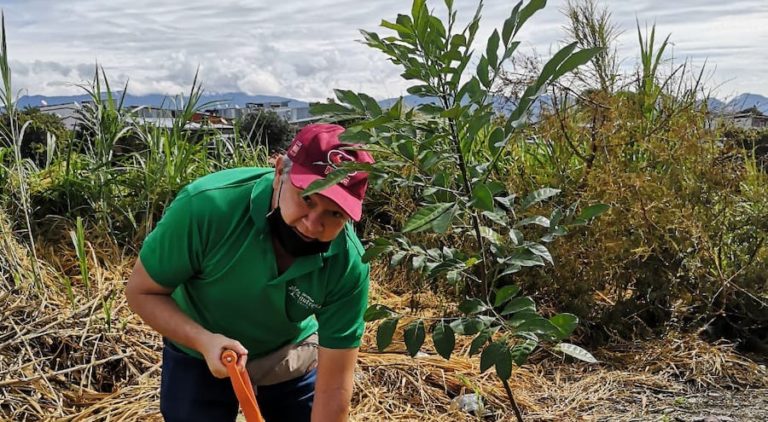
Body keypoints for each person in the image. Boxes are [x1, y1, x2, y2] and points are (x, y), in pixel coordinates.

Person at [126, 123, 375, 422]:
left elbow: (334, 388)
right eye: (306, 198)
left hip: (286, 349)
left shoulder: (348, 263)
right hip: (198, 344)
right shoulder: (208, 208)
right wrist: (204, 341)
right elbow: (142, 291)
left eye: (334, 214)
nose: (312, 224)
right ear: (280, 171)